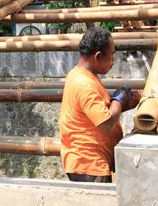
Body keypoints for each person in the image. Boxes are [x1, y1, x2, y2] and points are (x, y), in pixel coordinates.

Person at [59, 27, 140, 183]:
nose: (113, 61)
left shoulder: (80, 75)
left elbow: (100, 111)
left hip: (86, 162)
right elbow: (105, 123)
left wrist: (124, 102)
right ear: (98, 56)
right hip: (89, 163)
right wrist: (118, 99)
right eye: (111, 56)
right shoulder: (85, 84)